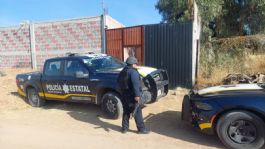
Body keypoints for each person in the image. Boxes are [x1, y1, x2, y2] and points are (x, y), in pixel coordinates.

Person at [117, 56, 150, 134]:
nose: (136, 64)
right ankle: (141, 129)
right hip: (132, 96)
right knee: (137, 112)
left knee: (126, 111)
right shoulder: (133, 72)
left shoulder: (123, 71)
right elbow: (135, 84)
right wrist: (137, 95)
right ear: (132, 64)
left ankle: (124, 129)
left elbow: (118, 82)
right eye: (135, 63)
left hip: (124, 94)